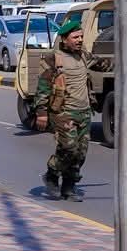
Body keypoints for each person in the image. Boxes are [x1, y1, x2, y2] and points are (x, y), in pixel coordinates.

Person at [33, 19, 93, 200]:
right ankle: (51, 175)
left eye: (81, 36)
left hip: (84, 112)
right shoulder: (54, 59)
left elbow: (104, 64)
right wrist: (41, 113)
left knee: (80, 153)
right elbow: (43, 87)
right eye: (75, 37)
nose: (80, 40)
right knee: (69, 148)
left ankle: (69, 187)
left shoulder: (83, 56)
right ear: (65, 39)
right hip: (64, 113)